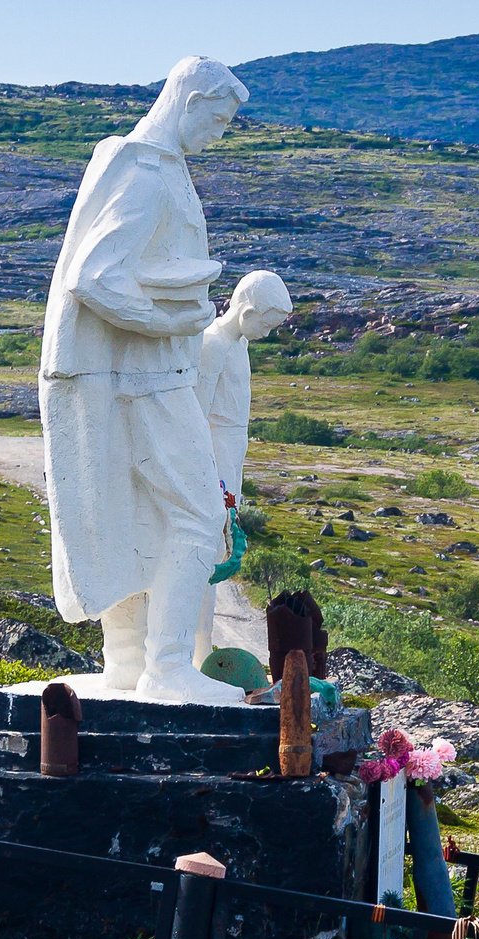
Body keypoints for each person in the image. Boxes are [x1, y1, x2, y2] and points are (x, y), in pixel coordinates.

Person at [38, 56, 248, 703]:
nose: (217, 135)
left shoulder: (158, 168)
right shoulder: (147, 174)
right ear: (190, 101)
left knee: (135, 518)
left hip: (143, 375)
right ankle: (166, 666)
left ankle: (128, 663)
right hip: (145, 378)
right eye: (216, 120)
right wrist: (168, 319)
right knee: (196, 513)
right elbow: (94, 276)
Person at [193, 270, 291, 666]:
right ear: (248, 310)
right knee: (202, 554)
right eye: (267, 324)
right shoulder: (214, 344)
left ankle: (203, 646)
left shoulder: (240, 344)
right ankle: (193, 648)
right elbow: (197, 414)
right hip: (212, 455)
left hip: (230, 454)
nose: (268, 333)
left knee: (216, 551)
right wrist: (211, 478)